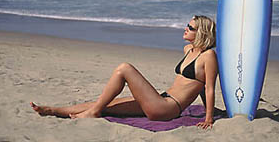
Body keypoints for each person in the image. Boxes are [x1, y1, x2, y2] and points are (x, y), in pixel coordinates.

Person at [31, 15, 218, 129]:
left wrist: (209, 117)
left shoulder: (208, 56)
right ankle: (52, 110)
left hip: (167, 108)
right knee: (105, 103)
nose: (186, 28)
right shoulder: (188, 50)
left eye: (191, 27)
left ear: (202, 33)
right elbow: (198, 86)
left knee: (124, 68)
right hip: (161, 99)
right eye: (187, 24)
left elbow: (208, 87)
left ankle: (93, 112)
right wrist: (206, 107)